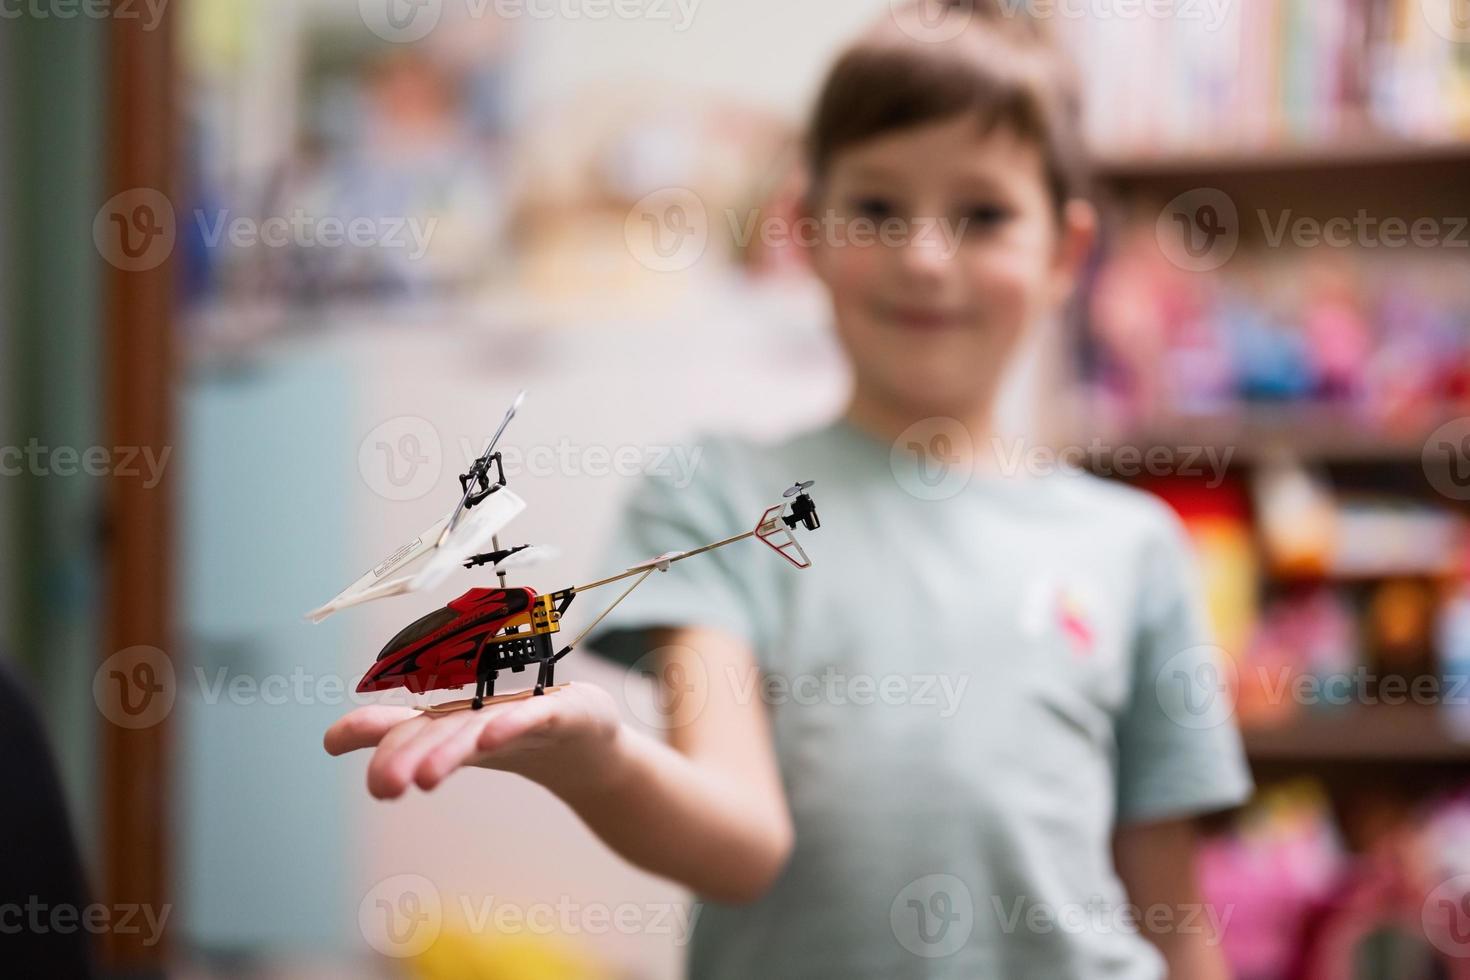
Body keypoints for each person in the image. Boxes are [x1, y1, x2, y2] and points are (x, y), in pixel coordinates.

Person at [324, 2, 1252, 976]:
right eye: (879, 210)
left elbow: (1174, 912)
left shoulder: (1134, 544)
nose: (925, 255)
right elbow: (741, 841)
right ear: (806, 230)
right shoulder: (721, 498)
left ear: (1064, 251)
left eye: (980, 213)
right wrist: (598, 760)